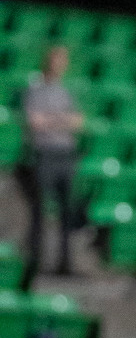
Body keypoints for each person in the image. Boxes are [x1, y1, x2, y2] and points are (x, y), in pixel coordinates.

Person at [22, 46, 84, 280]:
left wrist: (53, 120)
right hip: (44, 154)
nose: (59, 65)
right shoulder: (35, 89)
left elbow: (78, 121)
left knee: (67, 211)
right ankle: (34, 261)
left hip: (66, 155)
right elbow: (35, 122)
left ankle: (65, 263)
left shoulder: (66, 92)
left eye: (63, 61)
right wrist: (62, 121)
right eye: (56, 60)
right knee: (39, 210)